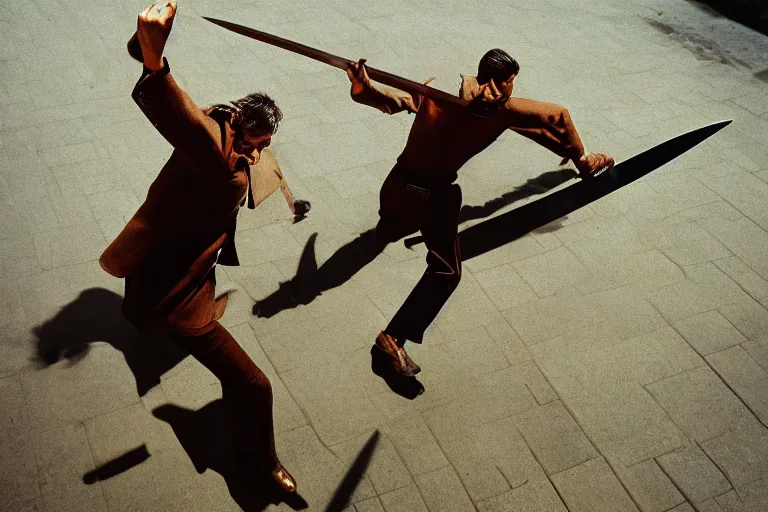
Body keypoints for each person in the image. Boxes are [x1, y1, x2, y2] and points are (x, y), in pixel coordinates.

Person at [100, 0, 309, 493]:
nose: (257, 154)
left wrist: (288, 197)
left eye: (263, 145)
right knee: (253, 385)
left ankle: (140, 316)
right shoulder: (211, 146)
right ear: (237, 124)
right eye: (253, 144)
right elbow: (181, 115)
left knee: (142, 306)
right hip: (184, 289)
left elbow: (256, 161)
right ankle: (259, 468)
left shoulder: (236, 128)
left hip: (164, 261)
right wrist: (155, 62)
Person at [346, 49, 614, 377]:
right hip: (432, 197)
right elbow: (558, 115)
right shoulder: (497, 109)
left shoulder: (441, 95)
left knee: (392, 222)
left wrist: (365, 89)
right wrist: (582, 157)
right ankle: (392, 339)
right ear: (497, 83)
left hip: (395, 188)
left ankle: (391, 226)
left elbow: (393, 102)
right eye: (511, 82)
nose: (512, 88)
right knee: (447, 272)